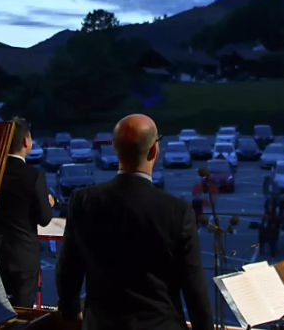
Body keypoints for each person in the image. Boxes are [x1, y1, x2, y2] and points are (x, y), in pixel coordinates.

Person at [56, 114, 212, 330]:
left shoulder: (83, 201)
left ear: (114, 148)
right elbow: (194, 288)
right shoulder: (177, 211)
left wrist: (70, 313)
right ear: (154, 151)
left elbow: (68, 269)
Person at [0, 117, 55, 307]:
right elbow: (44, 219)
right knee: (23, 313)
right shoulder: (34, 176)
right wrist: (48, 202)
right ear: (26, 141)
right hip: (23, 256)